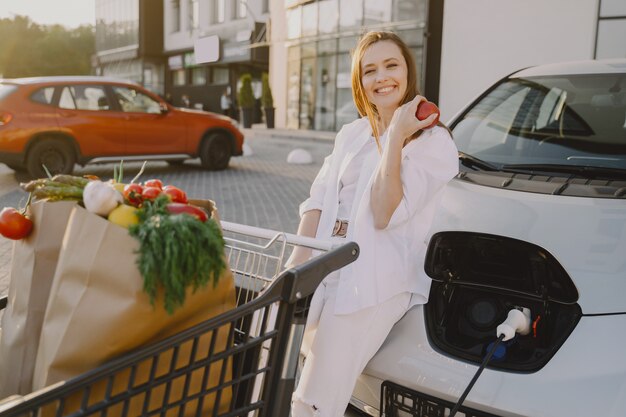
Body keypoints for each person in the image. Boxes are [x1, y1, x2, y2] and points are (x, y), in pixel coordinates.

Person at [286, 31, 460, 417]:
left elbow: (383, 214)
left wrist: (397, 133)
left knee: (312, 400)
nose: (382, 77)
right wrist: (296, 266)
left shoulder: (434, 144)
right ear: (359, 80)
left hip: (373, 281)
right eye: (370, 70)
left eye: (391, 65)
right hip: (324, 266)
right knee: (277, 361)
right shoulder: (352, 133)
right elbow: (317, 201)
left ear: (407, 71)